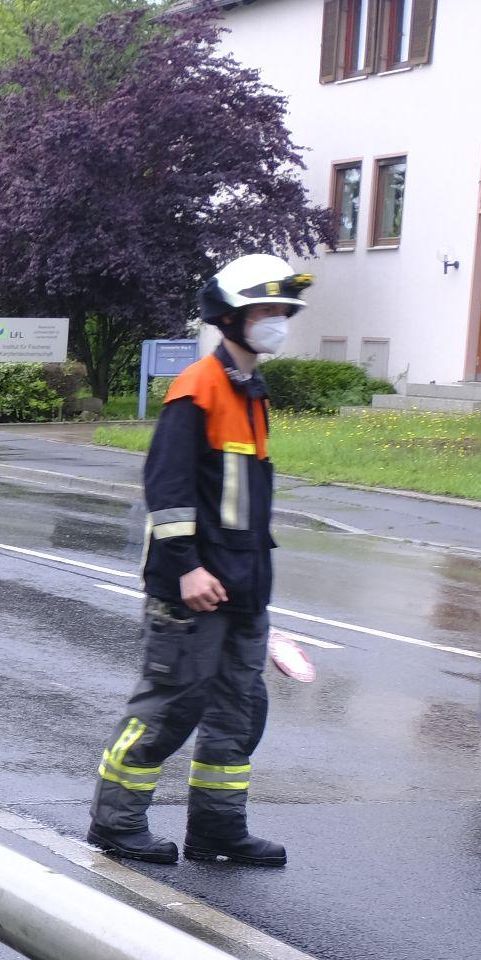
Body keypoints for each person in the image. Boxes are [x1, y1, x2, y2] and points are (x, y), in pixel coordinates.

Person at [87, 254, 313, 867]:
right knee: (170, 706)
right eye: (266, 309)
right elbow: (167, 489)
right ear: (231, 316)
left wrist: (253, 588)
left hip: (242, 591)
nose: (277, 321)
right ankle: (116, 822)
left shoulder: (250, 394)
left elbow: (241, 510)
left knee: (237, 716)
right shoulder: (198, 389)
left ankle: (217, 830)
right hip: (191, 590)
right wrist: (186, 566)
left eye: (282, 311)